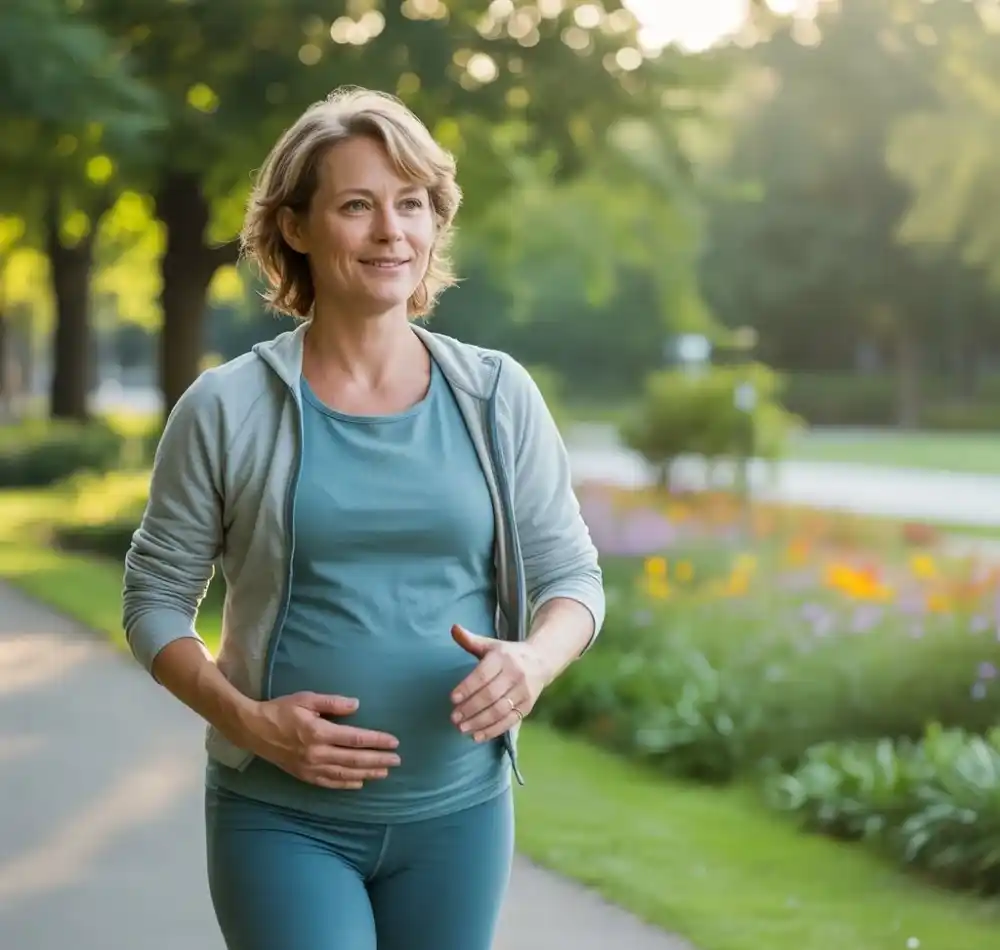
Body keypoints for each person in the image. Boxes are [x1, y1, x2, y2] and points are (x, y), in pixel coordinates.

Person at [121, 86, 605, 950]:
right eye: (357, 205)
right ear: (297, 228)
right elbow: (155, 598)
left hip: (459, 816)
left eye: (411, 205)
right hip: (281, 819)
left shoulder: (497, 395)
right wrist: (246, 721)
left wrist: (534, 660)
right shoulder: (226, 406)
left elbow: (572, 577)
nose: (392, 232)